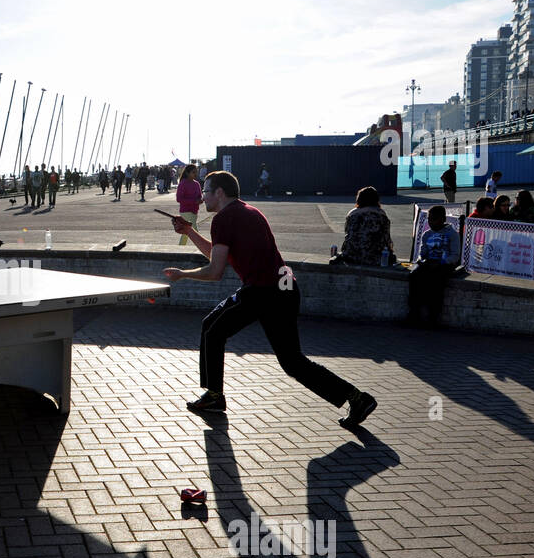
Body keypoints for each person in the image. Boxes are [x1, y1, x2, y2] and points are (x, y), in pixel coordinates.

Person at [162, 171, 377, 427]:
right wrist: (189, 231)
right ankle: (357, 398)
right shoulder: (249, 211)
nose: (201, 197)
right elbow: (218, 253)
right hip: (284, 290)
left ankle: (214, 396)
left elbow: (215, 271)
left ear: (219, 193)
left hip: (262, 291)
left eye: (205, 191)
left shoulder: (223, 219)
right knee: (293, 362)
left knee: (212, 328)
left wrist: (182, 275)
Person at [408, 205, 460, 329]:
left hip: (444, 264)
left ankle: (433, 317)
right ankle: (414, 313)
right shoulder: (427, 234)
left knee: (436, 281)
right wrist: (423, 260)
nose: (431, 222)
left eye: (434, 219)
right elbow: (422, 252)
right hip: (429, 262)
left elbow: (455, 255)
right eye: (429, 219)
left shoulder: (452, 234)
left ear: (443, 219)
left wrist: (442, 262)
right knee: (414, 277)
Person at [339, 186, 393, 266]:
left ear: (359, 199)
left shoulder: (352, 214)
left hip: (352, 256)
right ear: (376, 200)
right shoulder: (381, 215)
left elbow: (348, 233)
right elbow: (387, 238)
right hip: (376, 259)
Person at [175, 164, 203, 246]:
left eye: (196, 172)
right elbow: (179, 199)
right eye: (193, 172)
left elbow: (199, 195)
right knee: (194, 231)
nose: (195, 174)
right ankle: (201, 248)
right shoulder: (183, 183)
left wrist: (200, 199)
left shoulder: (196, 184)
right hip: (185, 211)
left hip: (194, 211)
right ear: (187, 173)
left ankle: (180, 248)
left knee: (186, 232)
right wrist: (194, 201)